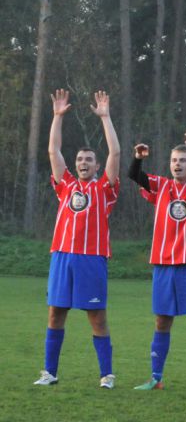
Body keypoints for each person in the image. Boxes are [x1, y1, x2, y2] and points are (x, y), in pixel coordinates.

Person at [35, 89, 121, 388]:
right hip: (62, 256)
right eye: (80, 159)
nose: (84, 163)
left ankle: (107, 375)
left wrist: (105, 118)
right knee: (55, 314)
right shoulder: (66, 185)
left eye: (89, 160)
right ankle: (49, 372)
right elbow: (53, 151)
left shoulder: (104, 189)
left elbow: (115, 153)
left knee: (97, 317)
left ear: (97, 166)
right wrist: (57, 117)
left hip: (91, 259)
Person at [129, 129, 186, 394]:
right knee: (162, 321)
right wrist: (138, 158)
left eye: (183, 160)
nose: (177, 164)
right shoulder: (161, 186)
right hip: (164, 265)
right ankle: (156, 378)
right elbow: (134, 175)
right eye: (173, 160)